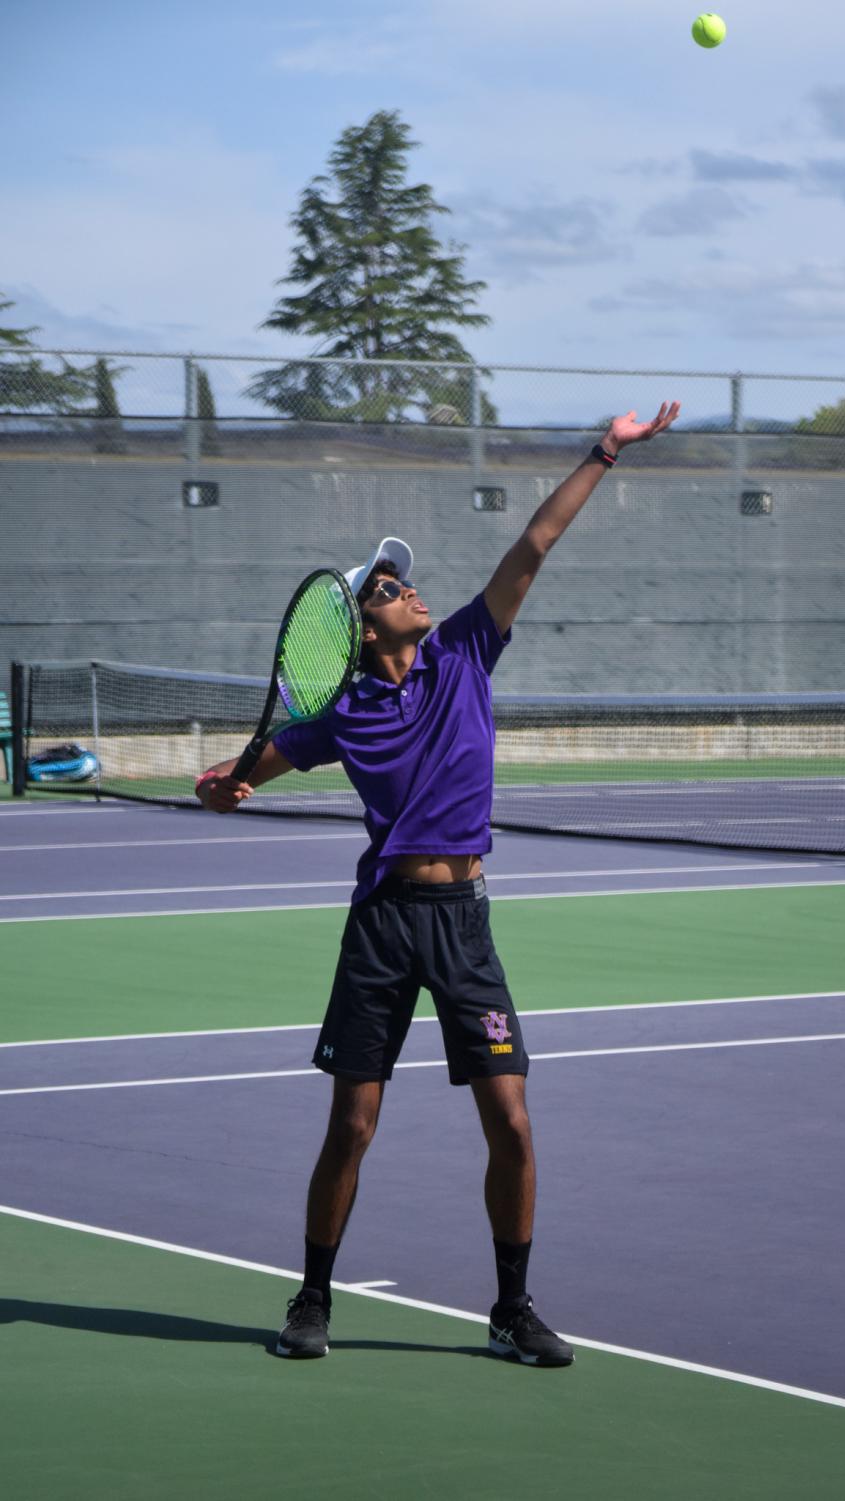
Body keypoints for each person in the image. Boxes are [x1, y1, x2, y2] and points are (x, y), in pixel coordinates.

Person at [195, 401, 681, 1364]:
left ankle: (511, 1306)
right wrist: (231, 777)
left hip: (464, 920)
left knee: (510, 1115)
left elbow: (533, 545)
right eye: (388, 586)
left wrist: (604, 451)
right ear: (360, 624)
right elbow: (260, 764)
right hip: (382, 923)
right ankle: (313, 1298)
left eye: (406, 582)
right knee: (355, 1122)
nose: (410, 589)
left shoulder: (465, 650)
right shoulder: (340, 713)